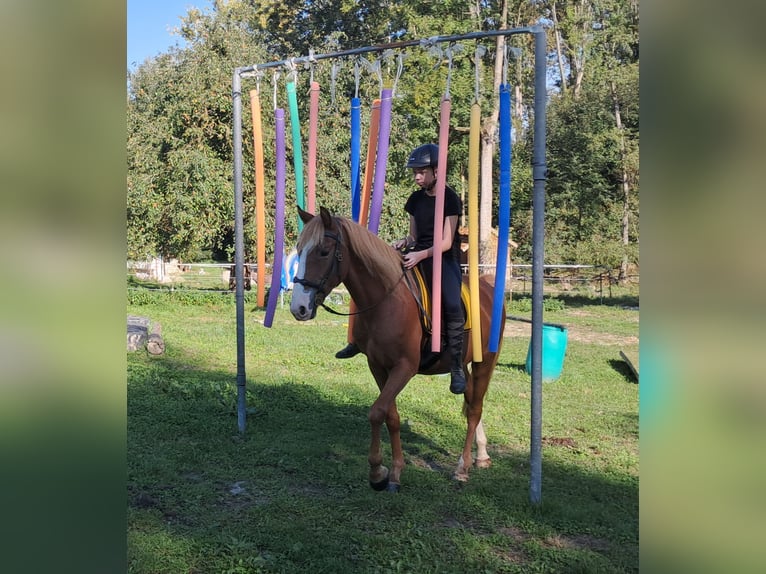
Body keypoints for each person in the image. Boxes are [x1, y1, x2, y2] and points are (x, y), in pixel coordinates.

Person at [335, 143, 466, 395]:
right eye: (415, 171)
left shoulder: (450, 198)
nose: (417, 176)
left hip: (443, 258)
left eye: (422, 171)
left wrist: (420, 254)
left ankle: (457, 365)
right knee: (372, 284)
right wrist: (405, 242)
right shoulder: (415, 199)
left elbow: (447, 241)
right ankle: (358, 340)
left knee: (451, 302)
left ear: (437, 171)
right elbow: (414, 235)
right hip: (416, 254)